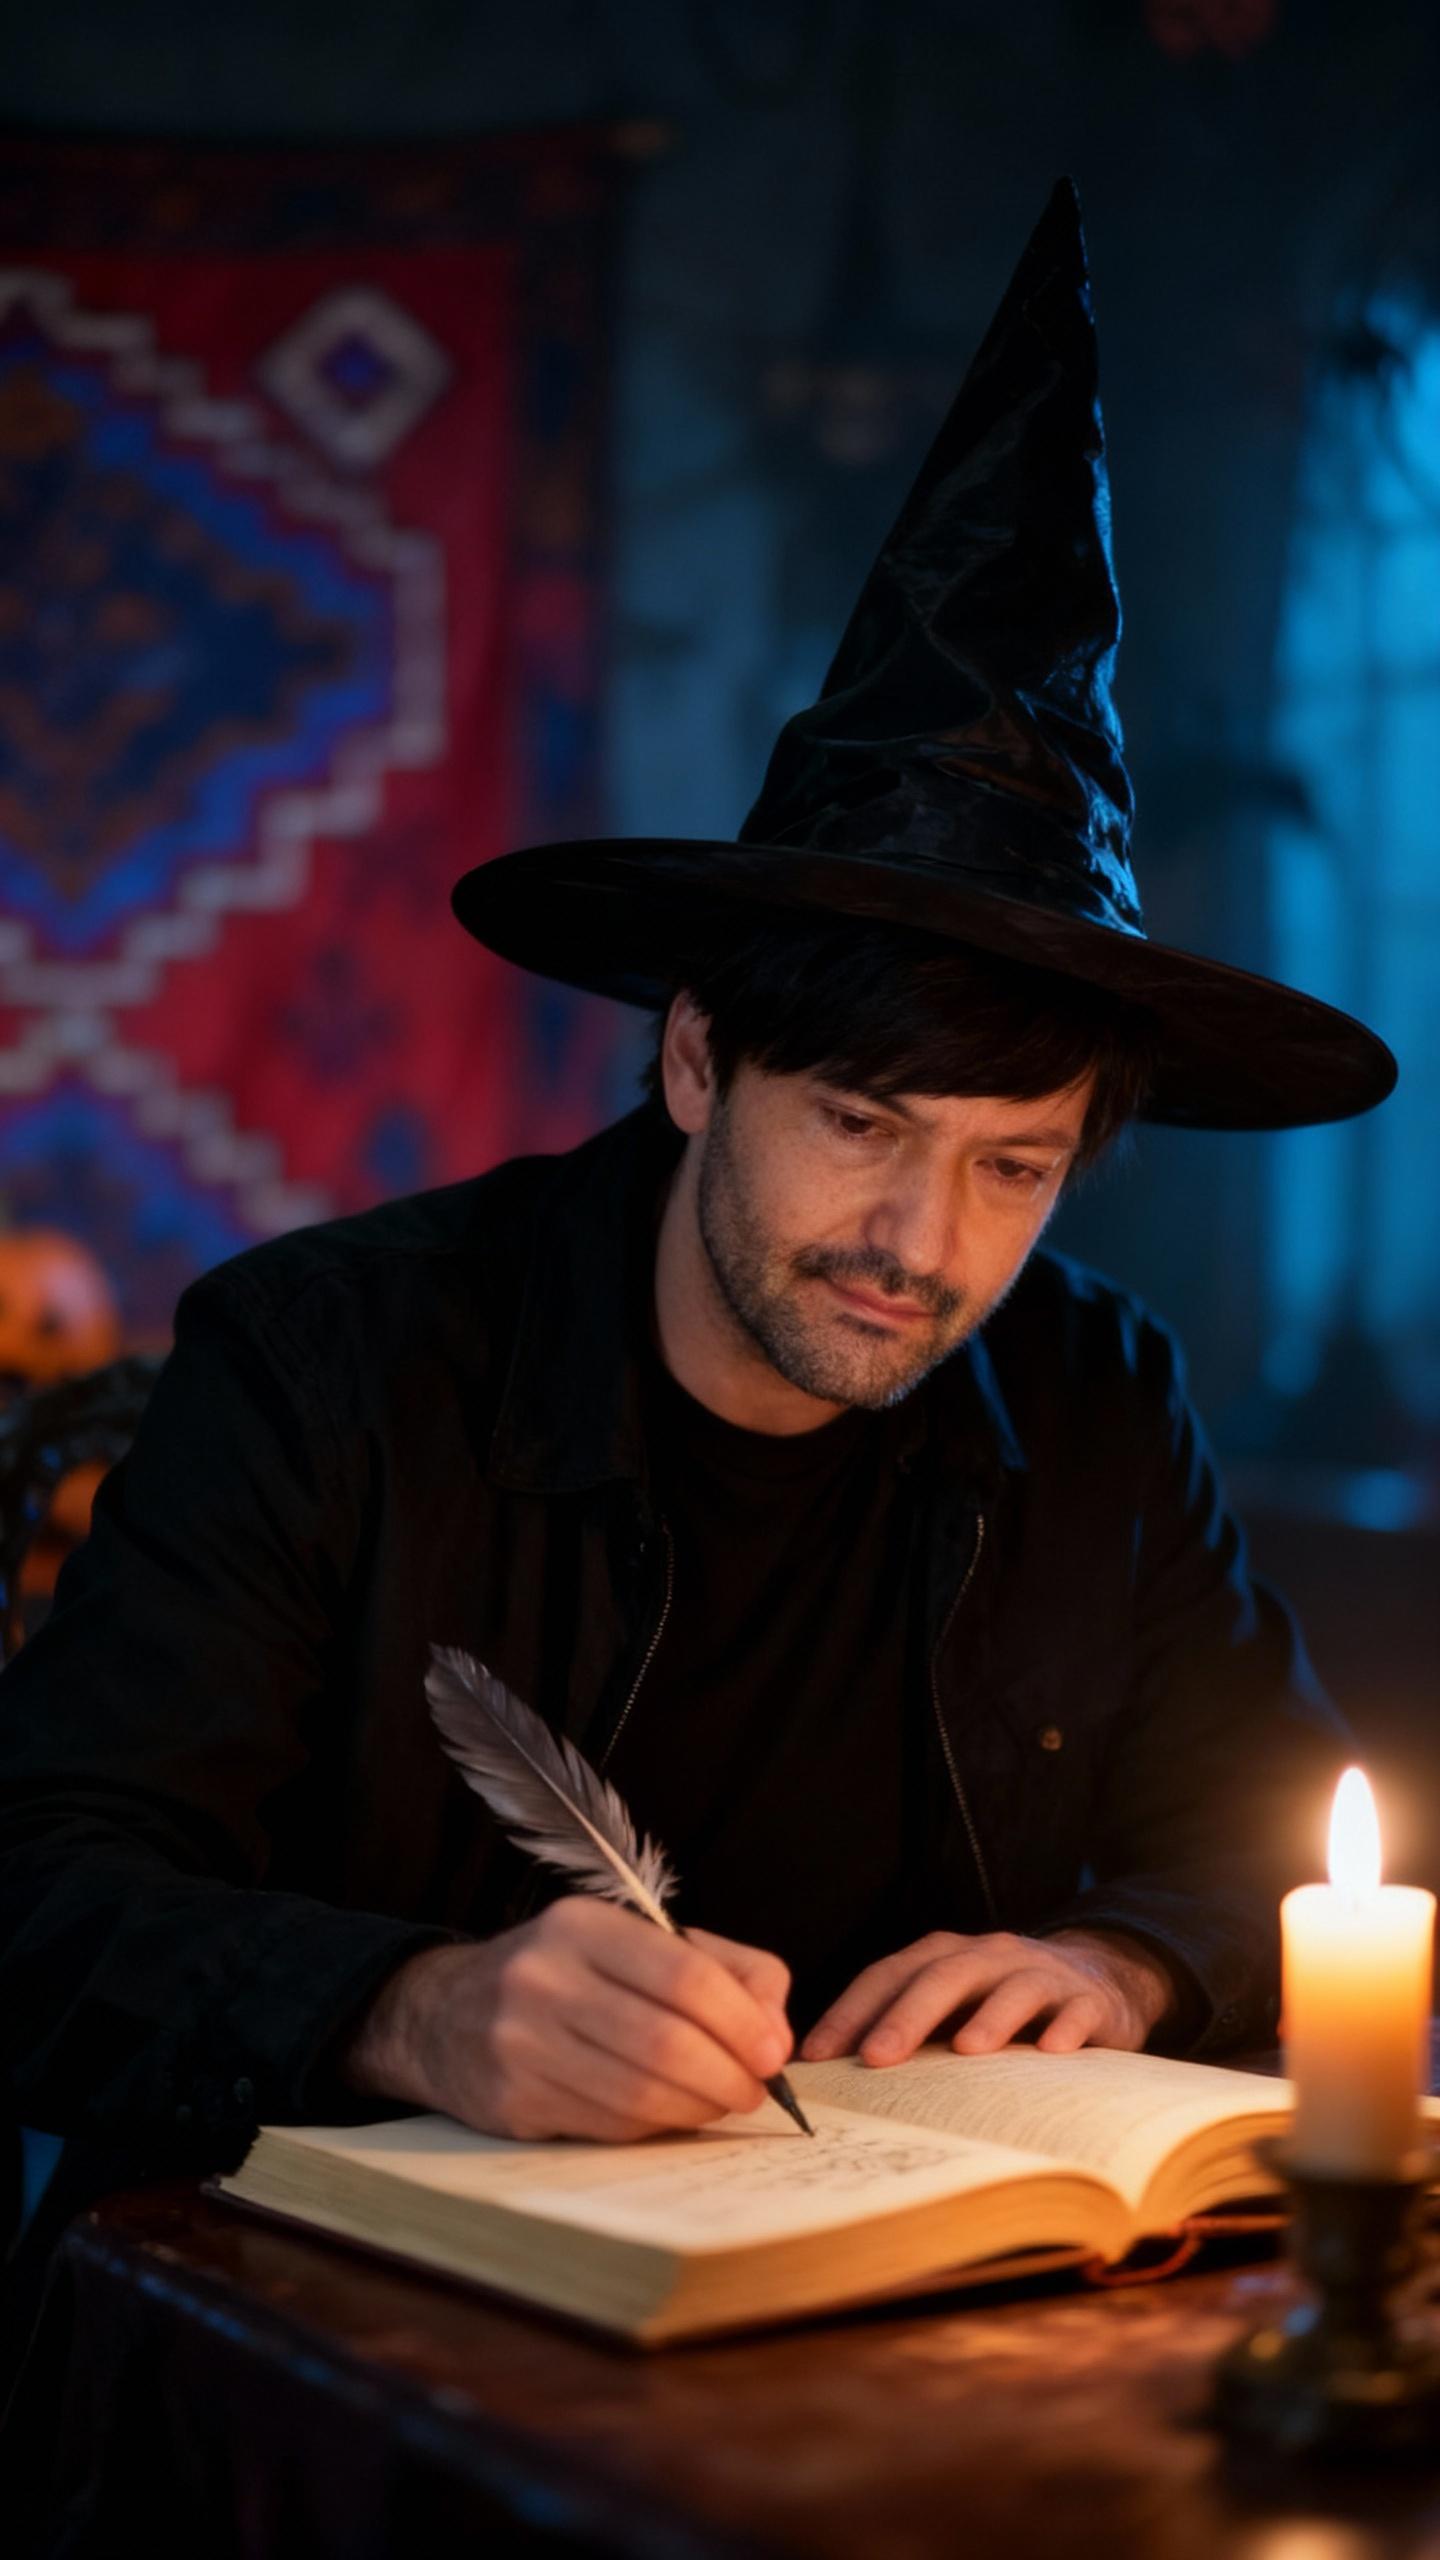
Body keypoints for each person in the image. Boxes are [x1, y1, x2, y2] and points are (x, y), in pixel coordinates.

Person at [0, 183, 1395, 2186]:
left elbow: (1285, 1840)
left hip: (898, 2295)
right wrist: (413, 2007)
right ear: (694, 1060)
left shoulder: (1096, 1400)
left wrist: (1123, 1961)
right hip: (338, 2324)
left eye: (1011, 1167)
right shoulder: (330, 1366)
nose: (922, 1246)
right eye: (861, 1124)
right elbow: (37, 1903)